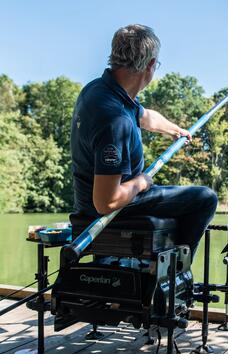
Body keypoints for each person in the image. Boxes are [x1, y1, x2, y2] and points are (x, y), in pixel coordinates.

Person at [70, 24, 217, 257]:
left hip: (94, 200)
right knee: (205, 199)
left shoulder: (99, 91)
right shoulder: (115, 119)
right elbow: (105, 202)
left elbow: (145, 117)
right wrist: (142, 182)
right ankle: (178, 271)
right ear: (150, 66)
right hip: (115, 208)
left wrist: (174, 130)